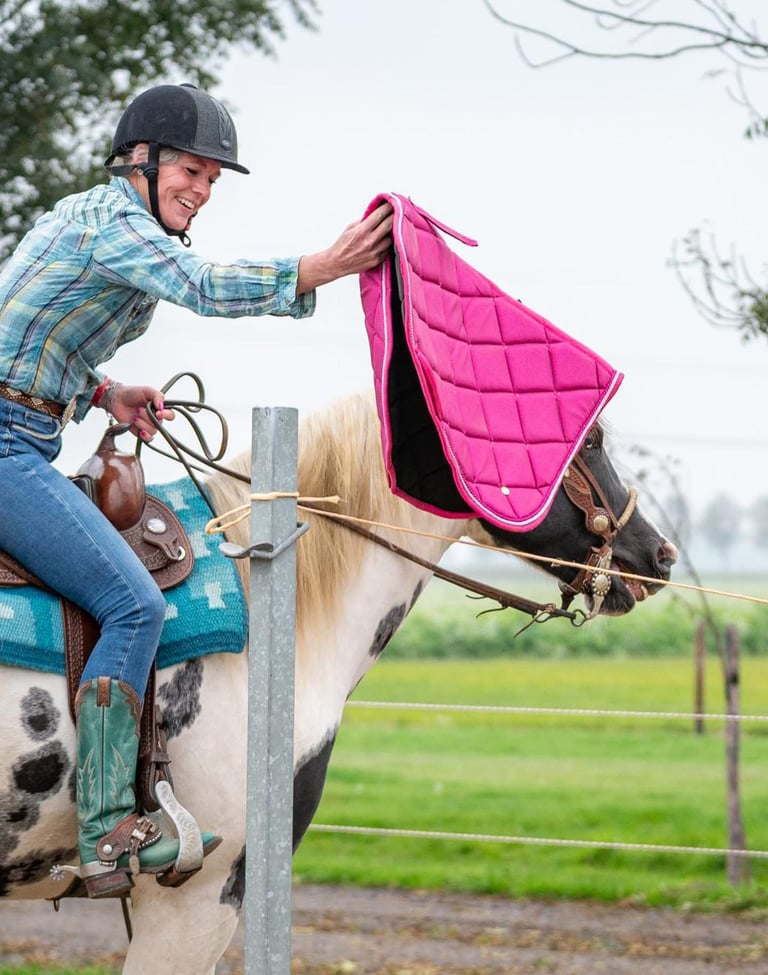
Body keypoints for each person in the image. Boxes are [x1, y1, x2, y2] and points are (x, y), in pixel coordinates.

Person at [0, 82, 393, 898]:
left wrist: (104, 392)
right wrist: (322, 266)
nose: (202, 189)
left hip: (25, 432)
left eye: (213, 178)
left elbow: (28, 330)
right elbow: (206, 288)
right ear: (139, 162)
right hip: (7, 444)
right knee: (136, 604)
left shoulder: (94, 222)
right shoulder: (117, 224)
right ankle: (110, 825)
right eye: (190, 168)